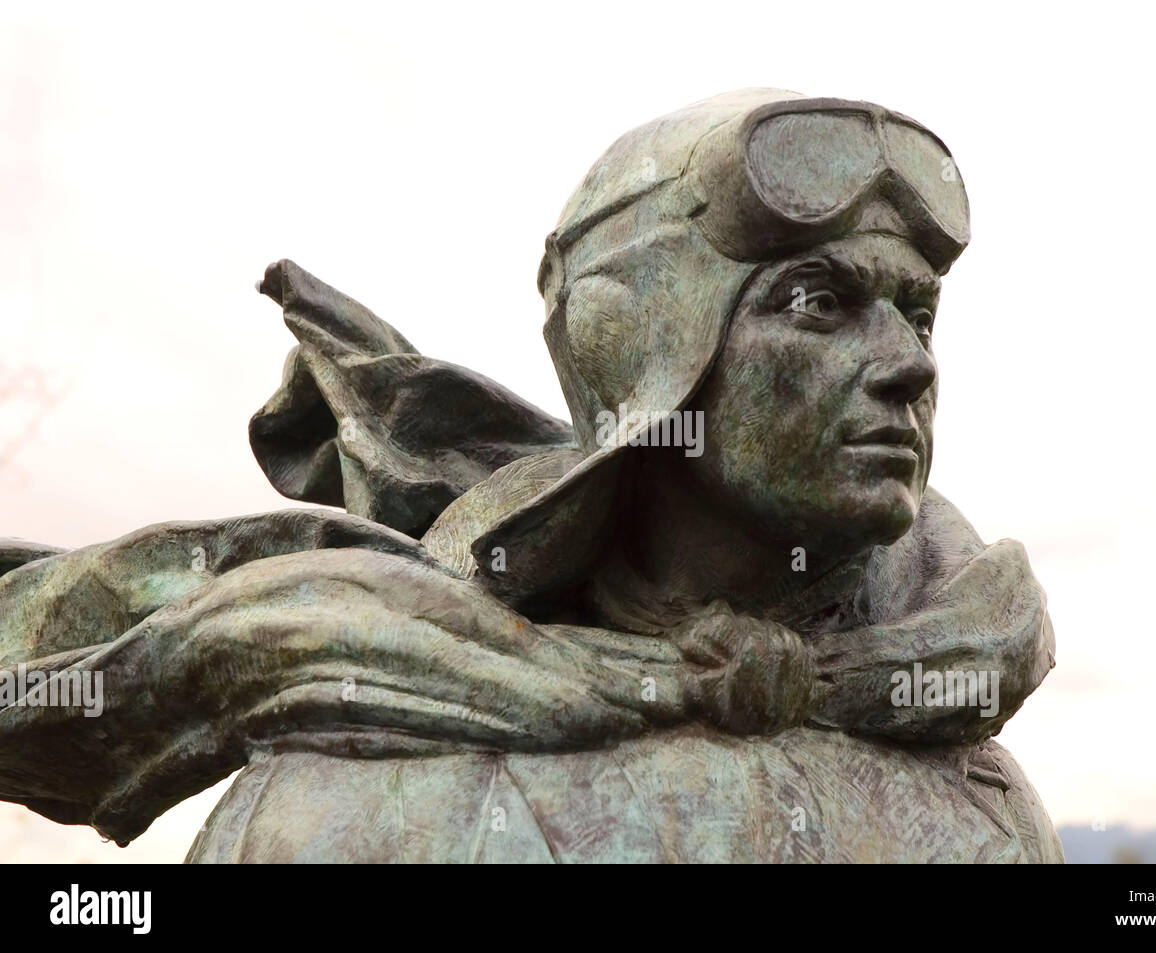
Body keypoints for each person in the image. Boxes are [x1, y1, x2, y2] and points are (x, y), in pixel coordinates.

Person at [0, 90, 1061, 862]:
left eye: (915, 313)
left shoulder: (970, 787)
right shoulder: (351, 795)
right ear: (640, 352)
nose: (910, 362)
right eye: (816, 304)